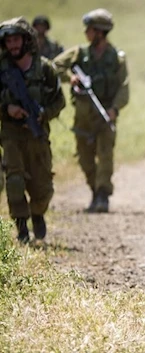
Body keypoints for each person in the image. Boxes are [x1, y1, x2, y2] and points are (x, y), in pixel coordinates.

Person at [53, 9, 129, 213]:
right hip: (83, 116)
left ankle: (103, 195)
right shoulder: (79, 53)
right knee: (85, 159)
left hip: (105, 115)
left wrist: (114, 109)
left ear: (100, 32)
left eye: (90, 29)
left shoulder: (117, 58)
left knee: (105, 157)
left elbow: (124, 86)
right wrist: (71, 78)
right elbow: (56, 66)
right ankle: (94, 191)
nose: (86, 33)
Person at [0, 18, 66, 243]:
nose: (13, 45)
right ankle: (21, 227)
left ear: (26, 40)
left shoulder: (45, 68)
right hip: (11, 134)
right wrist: (7, 108)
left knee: (43, 188)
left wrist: (43, 114)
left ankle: (37, 214)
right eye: (8, 40)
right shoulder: (2, 69)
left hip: (38, 135)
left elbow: (60, 100)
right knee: (15, 180)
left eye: (16, 39)